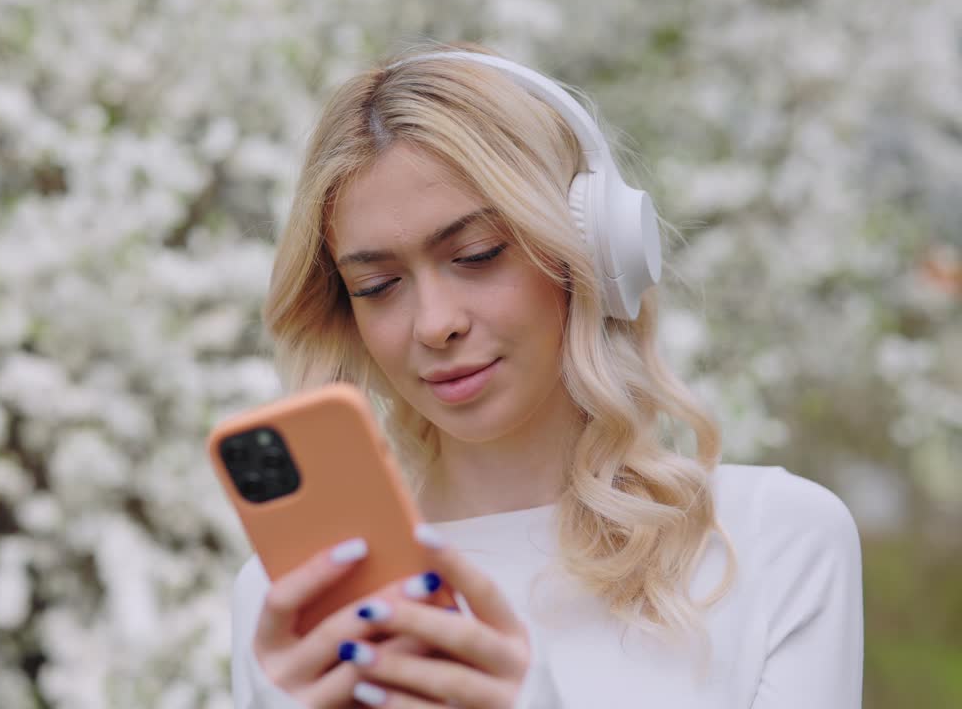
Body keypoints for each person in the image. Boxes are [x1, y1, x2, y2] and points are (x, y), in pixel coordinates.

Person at [229, 42, 864, 708]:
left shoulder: (773, 540)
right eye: (378, 284)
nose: (434, 323)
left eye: (476, 255)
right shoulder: (297, 600)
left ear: (589, 248)